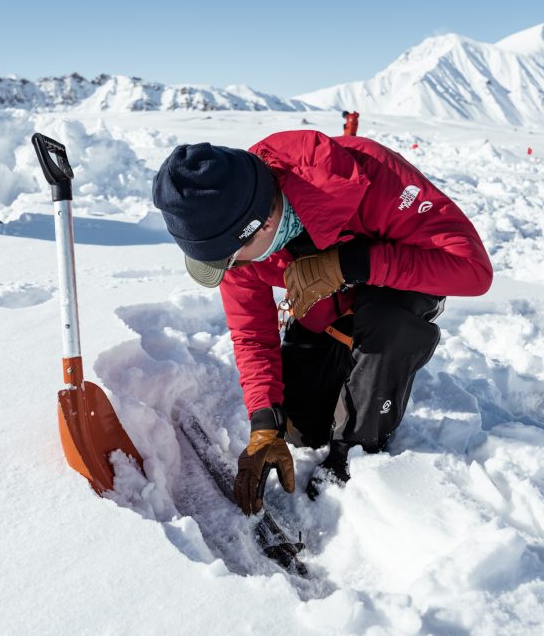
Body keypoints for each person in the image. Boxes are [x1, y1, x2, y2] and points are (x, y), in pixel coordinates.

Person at [152, 131, 492, 515]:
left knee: (387, 325)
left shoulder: (368, 174)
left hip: (394, 299)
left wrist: (349, 263)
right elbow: (252, 334)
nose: (232, 268)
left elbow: (472, 270)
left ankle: (356, 455)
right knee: (303, 430)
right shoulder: (228, 231)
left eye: (230, 259)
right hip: (326, 308)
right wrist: (265, 421)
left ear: (263, 225)